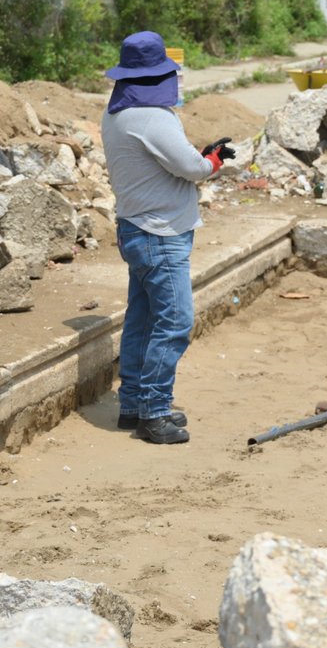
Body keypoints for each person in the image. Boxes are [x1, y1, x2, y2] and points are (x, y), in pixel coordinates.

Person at [100, 31, 235, 445]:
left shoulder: (118, 112)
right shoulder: (153, 117)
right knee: (176, 320)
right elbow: (192, 169)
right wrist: (211, 160)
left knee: (142, 318)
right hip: (161, 234)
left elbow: (166, 160)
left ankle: (133, 404)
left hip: (136, 228)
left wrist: (199, 156)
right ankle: (155, 413)